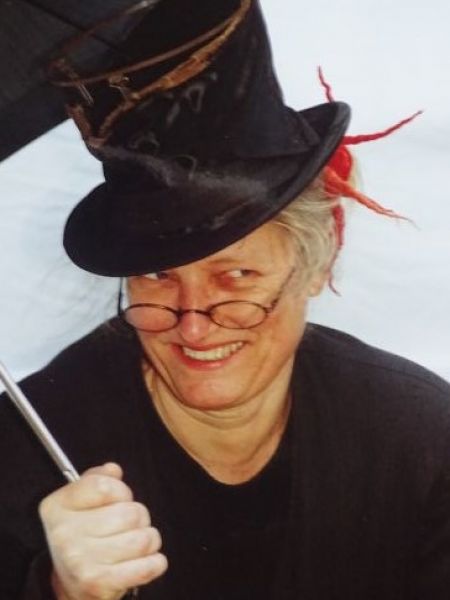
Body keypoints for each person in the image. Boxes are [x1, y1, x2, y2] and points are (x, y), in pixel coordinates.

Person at [1, 1, 449, 599]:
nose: (193, 326)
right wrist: (58, 591)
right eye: (157, 275)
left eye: (236, 274)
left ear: (316, 264)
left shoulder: (420, 438)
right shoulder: (25, 445)